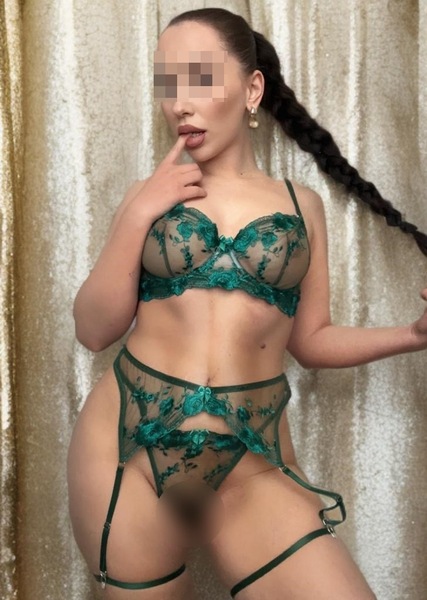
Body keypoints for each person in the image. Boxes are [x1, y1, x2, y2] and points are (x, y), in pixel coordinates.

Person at [67, 7, 427, 600]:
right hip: (126, 449)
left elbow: (311, 341)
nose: (180, 103)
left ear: (252, 89)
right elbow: (92, 329)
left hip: (251, 460)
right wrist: (138, 213)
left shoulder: (302, 205)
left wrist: (413, 334)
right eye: (167, 83)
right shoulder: (146, 197)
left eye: (199, 78)